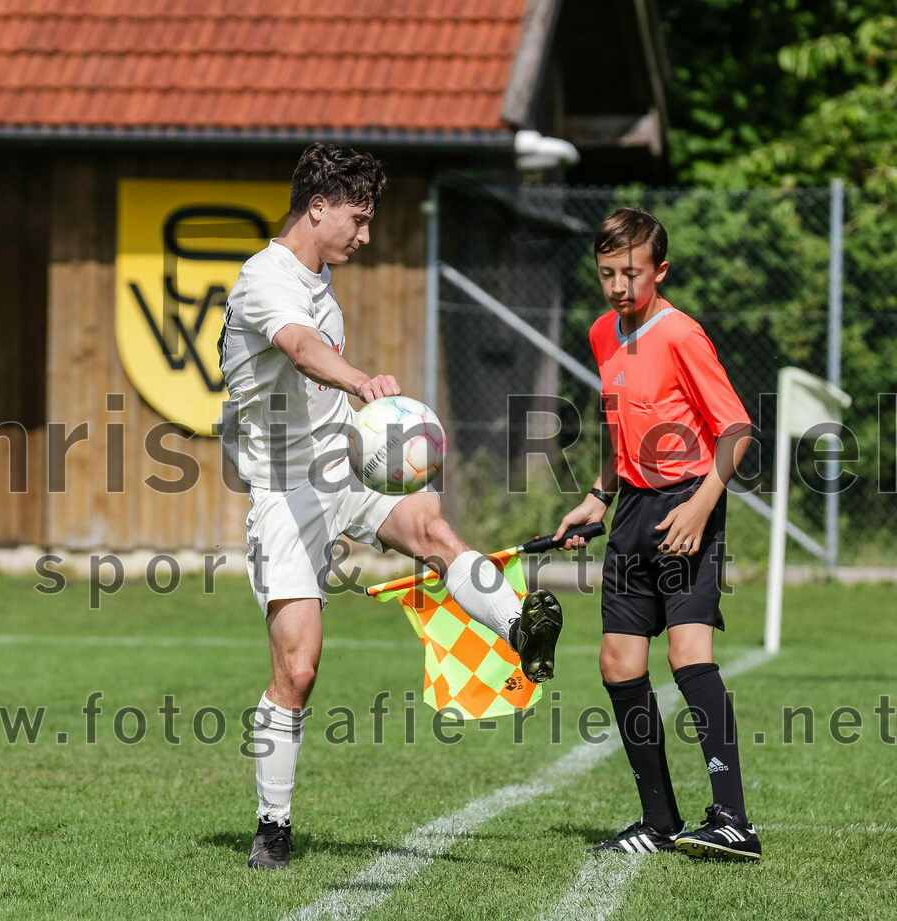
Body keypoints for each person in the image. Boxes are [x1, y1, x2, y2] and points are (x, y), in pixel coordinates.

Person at [217, 142, 561, 870]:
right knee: (300, 668)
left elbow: (313, 362)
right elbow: (302, 349)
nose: (366, 235)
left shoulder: (320, 273)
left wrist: (367, 415)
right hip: (286, 489)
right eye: (359, 218)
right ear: (318, 207)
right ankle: (273, 826)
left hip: (342, 462)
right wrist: (362, 381)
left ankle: (520, 627)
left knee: (431, 525)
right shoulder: (264, 278)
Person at [553, 208, 760, 862]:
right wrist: (598, 496)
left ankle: (733, 820)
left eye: (631, 273)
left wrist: (701, 507)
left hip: (688, 502)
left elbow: (737, 430)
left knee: (688, 655)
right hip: (632, 509)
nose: (618, 285)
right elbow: (620, 428)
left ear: (659, 270)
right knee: (619, 662)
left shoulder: (681, 335)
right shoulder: (602, 332)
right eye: (607, 272)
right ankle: (658, 819)